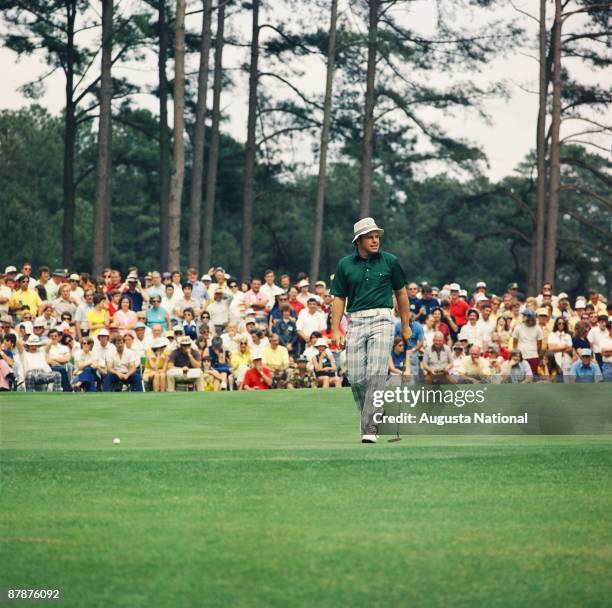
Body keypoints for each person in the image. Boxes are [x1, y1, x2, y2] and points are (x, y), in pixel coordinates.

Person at [330, 217, 410, 443]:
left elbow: (401, 293)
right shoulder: (345, 264)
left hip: (383, 320)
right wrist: (335, 329)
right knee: (355, 377)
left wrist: (405, 324)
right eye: (370, 237)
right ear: (358, 241)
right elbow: (338, 297)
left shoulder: (390, 261)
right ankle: (375, 410)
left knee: (375, 372)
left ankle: (370, 427)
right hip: (355, 321)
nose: (375, 241)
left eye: (377, 237)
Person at [510, 309, 543, 375]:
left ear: (530, 317)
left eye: (525, 315)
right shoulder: (518, 328)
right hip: (521, 357)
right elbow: (515, 345)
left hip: (533, 356)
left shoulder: (538, 329)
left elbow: (539, 345)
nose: (523, 317)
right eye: (523, 315)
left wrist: (537, 355)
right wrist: (516, 357)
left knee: (533, 377)